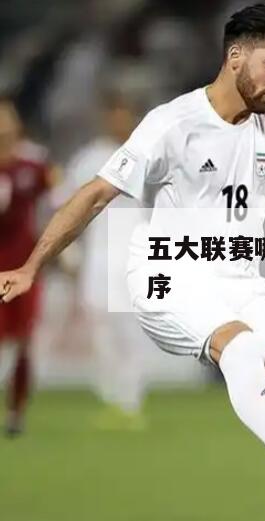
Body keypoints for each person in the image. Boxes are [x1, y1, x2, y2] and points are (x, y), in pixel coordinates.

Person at [0, 4, 265, 519]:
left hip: (240, 280)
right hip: (168, 276)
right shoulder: (174, 123)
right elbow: (96, 194)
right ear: (235, 57)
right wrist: (32, 266)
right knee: (241, 347)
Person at [60, 93, 149, 429]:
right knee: (101, 331)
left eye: (125, 115)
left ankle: (130, 402)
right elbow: (68, 205)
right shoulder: (89, 159)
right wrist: (68, 251)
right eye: (114, 115)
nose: (119, 121)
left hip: (137, 257)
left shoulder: (149, 156)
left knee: (131, 331)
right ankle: (111, 397)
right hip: (98, 257)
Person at [0, 96, 55, 437]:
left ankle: (16, 411)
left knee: (23, 341)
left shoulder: (33, 166)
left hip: (23, 270)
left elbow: (55, 205)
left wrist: (58, 252)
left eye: (6, 118)